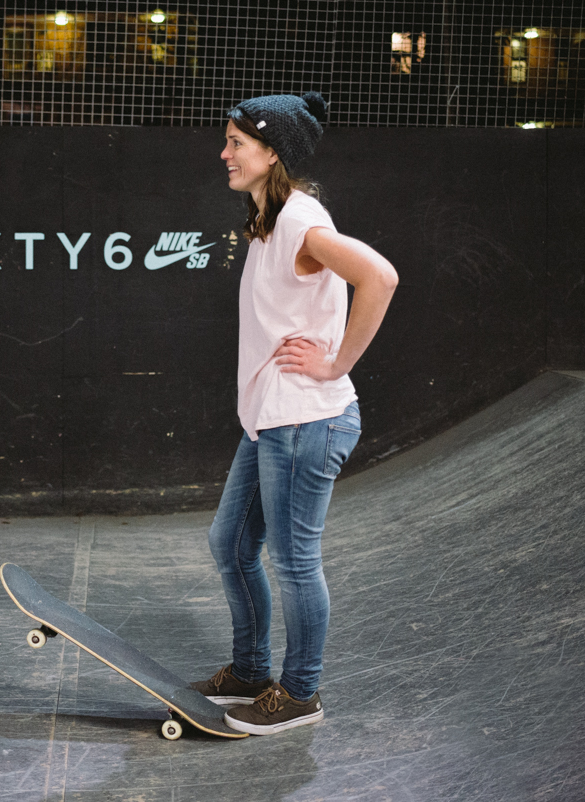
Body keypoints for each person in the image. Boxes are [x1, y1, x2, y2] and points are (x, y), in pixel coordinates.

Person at [189, 92, 398, 735]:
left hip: (307, 419)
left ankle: (301, 693)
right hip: (272, 419)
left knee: (294, 562)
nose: (224, 154)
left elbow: (380, 277)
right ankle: (251, 671)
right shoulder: (269, 221)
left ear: (272, 152)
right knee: (230, 543)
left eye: (237, 143)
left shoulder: (300, 219)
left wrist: (336, 364)